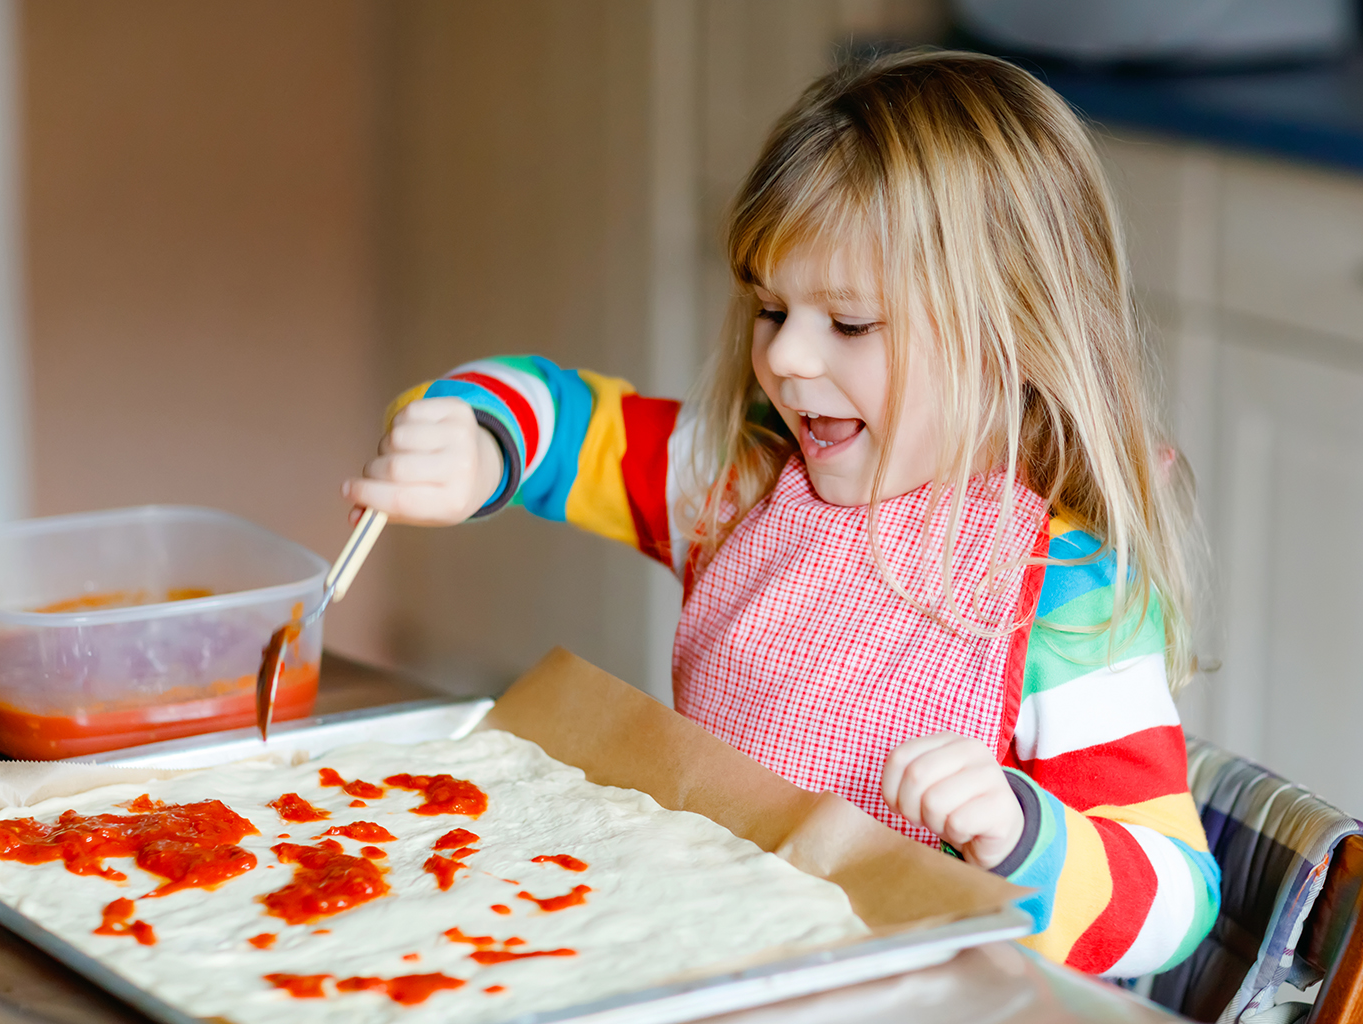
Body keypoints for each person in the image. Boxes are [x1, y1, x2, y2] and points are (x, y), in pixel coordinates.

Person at [345, 50, 1220, 977]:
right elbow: (568, 424)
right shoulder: (741, 487)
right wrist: (479, 441)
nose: (789, 358)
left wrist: (1023, 832)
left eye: (849, 323)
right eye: (770, 308)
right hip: (701, 962)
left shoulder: (1066, 593)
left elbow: (1174, 901)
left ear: (1012, 339)